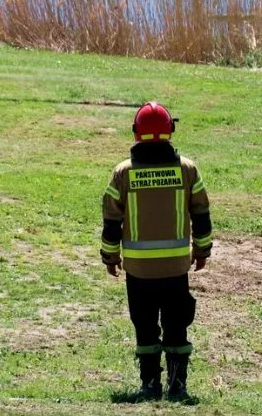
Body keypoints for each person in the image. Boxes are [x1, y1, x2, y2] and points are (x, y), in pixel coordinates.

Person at [100, 102, 212, 402]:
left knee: (145, 327)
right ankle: (178, 385)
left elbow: (111, 220)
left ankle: (150, 385)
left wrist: (110, 257)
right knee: (176, 325)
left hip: (138, 271)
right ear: (170, 131)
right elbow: (201, 214)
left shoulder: (123, 173)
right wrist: (202, 251)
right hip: (176, 269)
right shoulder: (187, 170)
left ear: (136, 132)